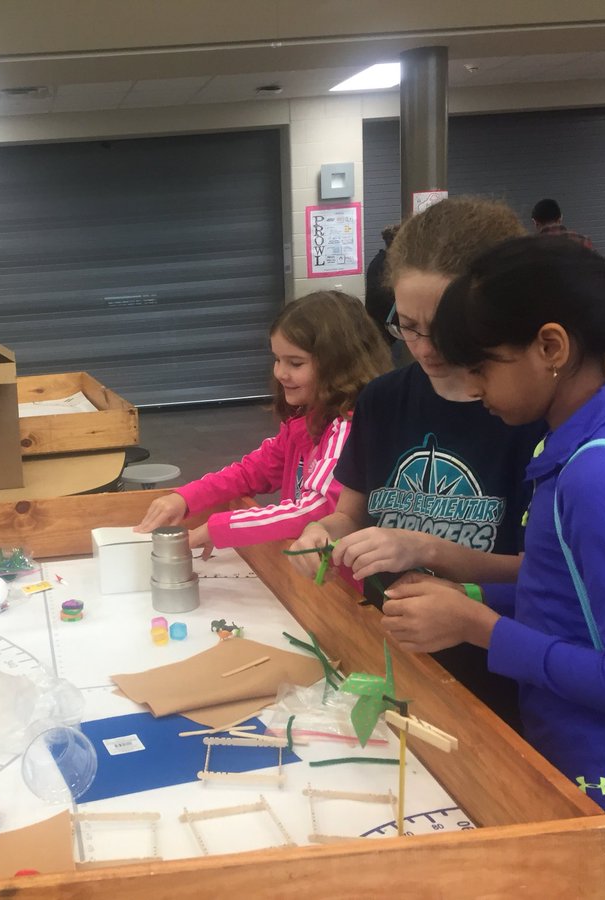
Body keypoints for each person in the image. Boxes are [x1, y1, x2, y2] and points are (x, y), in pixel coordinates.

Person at [381, 236, 605, 899]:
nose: (471, 388)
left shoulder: (598, 477)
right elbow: (566, 592)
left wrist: (478, 627)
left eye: (483, 367)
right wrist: (467, 592)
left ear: (551, 347)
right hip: (575, 764)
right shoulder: (578, 445)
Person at [288, 197, 546, 726]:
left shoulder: (529, 416)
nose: (425, 348)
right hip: (393, 658)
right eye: (406, 325)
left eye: (444, 328)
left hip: (498, 681)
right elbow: (351, 513)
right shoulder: (383, 399)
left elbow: (547, 578)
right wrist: (323, 530)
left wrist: (426, 548)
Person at [134, 292, 390, 555]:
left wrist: (217, 528)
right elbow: (253, 470)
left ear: (340, 364)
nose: (280, 373)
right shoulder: (305, 420)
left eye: (296, 363)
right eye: (277, 359)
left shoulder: (348, 429)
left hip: (337, 582)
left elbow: (316, 510)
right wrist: (186, 497)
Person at [364, 223, 400, 351]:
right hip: (383, 328)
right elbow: (380, 297)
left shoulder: (390, 263)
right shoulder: (381, 265)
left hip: (390, 328)